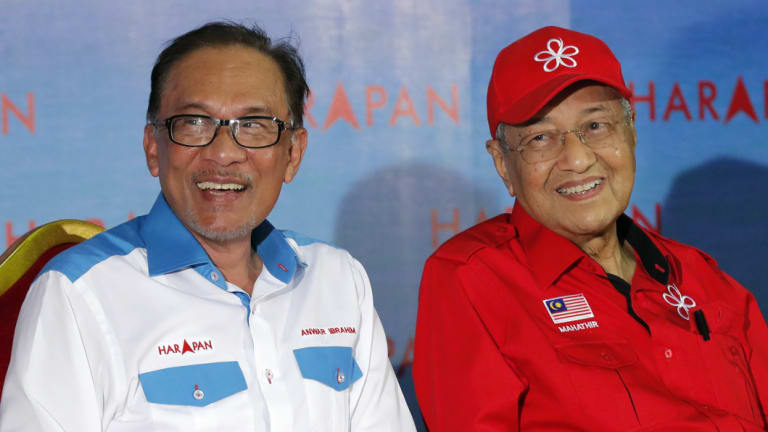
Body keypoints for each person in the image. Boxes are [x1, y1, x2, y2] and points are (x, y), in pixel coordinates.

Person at [0, 22, 415, 432]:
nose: (223, 153)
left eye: (253, 125)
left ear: (292, 154)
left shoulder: (339, 279)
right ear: (153, 148)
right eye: (194, 123)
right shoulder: (79, 294)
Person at [413, 26, 768, 431]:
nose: (578, 159)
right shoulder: (472, 278)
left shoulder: (705, 279)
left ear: (631, 134)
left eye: (596, 126)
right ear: (502, 165)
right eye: (541, 138)